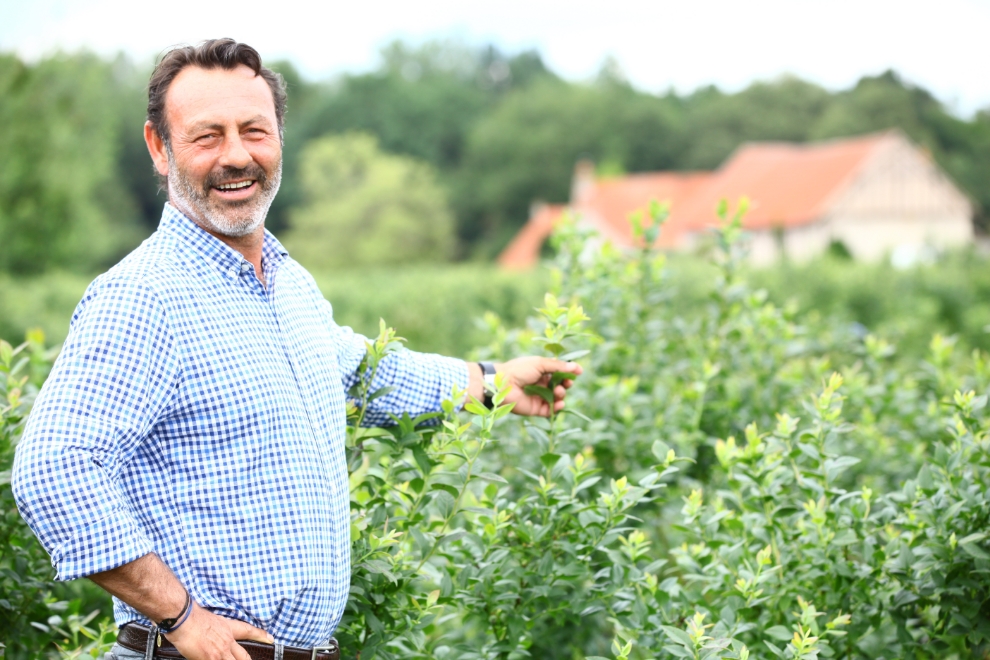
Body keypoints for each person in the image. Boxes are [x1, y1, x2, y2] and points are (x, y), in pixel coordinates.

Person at [11, 39, 581, 660]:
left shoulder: (288, 282)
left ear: (280, 136)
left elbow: (362, 372)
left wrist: (494, 382)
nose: (236, 156)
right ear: (159, 147)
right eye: (207, 137)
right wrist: (183, 619)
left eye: (254, 130)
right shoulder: (143, 297)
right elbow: (54, 471)